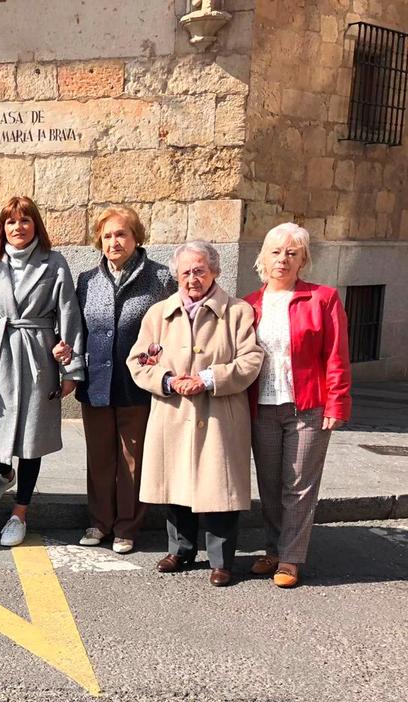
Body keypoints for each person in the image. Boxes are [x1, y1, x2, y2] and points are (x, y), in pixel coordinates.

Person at [128, 240, 264, 587]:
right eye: (186, 272)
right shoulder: (158, 314)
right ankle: (181, 550)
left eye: (200, 270)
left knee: (218, 487)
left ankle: (221, 562)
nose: (193, 278)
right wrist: (169, 380)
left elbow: (251, 360)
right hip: (173, 412)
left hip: (220, 414)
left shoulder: (237, 312)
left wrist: (207, 378)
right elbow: (138, 361)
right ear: (176, 276)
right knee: (176, 482)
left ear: (215, 272)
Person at [0, 197, 85, 548]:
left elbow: (68, 313)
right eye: (10, 222)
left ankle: (20, 513)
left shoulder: (54, 263)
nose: (18, 228)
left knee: (31, 439)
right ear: (1, 228)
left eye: (25, 221)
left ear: (36, 225)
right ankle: (5, 474)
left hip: (38, 355)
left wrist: (71, 368)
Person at [245, 223, 352, 588]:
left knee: (298, 485)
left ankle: (290, 559)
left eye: (292, 253)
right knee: (270, 483)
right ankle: (273, 549)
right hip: (262, 406)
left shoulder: (322, 298)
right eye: (276, 252)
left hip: (307, 405)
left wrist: (337, 404)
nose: (283, 260)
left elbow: (336, 356)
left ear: (303, 259)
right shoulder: (250, 304)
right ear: (263, 257)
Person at [68, 206, 176, 554]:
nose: (114, 241)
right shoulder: (87, 280)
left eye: (121, 234)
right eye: (108, 235)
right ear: (99, 240)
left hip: (138, 384)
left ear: (136, 237)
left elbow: (171, 327)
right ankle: (99, 522)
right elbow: (79, 330)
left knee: (133, 459)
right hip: (96, 381)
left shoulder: (160, 278)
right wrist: (71, 362)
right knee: (99, 457)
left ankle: (127, 527)